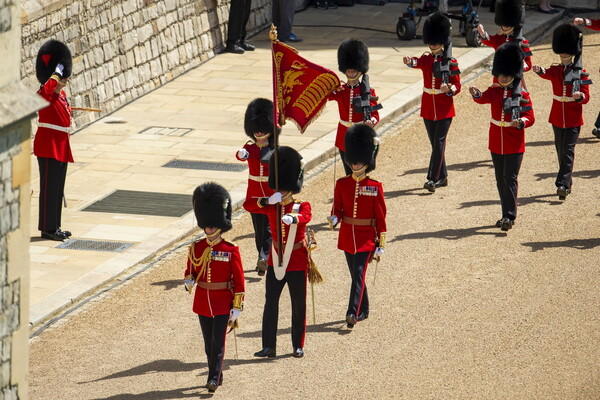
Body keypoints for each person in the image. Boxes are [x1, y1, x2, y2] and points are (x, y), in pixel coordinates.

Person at [247, 146, 311, 358]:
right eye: (279, 187)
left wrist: (294, 219)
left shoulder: (301, 205)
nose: (281, 191)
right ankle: (269, 346)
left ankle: (297, 344)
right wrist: (266, 200)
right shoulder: (271, 205)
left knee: (298, 304)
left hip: (297, 259)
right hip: (275, 260)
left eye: (284, 188)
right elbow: (249, 205)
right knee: (270, 303)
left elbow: (306, 216)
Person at [184, 182, 245, 393]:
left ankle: (212, 378)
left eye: (212, 224)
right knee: (208, 345)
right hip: (202, 300)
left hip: (222, 302)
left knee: (218, 343)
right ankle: (217, 374)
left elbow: (239, 280)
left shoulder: (230, 249)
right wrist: (189, 280)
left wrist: (237, 306)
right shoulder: (197, 247)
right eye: (207, 225)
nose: (209, 228)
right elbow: (190, 269)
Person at [469, 42, 535, 232]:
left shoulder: (522, 95)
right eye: (500, 74)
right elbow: (483, 98)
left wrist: (521, 121)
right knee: (500, 179)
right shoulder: (495, 90)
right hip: (496, 141)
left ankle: (509, 215)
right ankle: (504, 212)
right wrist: (476, 93)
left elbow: (530, 117)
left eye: (506, 75)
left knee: (510, 177)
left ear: (513, 74)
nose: (503, 77)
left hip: (514, 142)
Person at [327, 124, 386, 329]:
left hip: (366, 238)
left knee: (359, 273)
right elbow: (338, 208)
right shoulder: (342, 184)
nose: (355, 164)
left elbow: (381, 217)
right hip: (346, 236)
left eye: (359, 160)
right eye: (353, 160)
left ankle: (352, 312)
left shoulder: (374, 186)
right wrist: (334, 218)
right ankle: (365, 307)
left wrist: (381, 242)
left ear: (367, 161)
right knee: (356, 275)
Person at [403, 12, 461, 193]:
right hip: (428, 107)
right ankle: (442, 176)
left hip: (444, 109)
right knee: (435, 144)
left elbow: (457, 85)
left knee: (438, 144)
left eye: (437, 41)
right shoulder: (427, 58)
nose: (434, 44)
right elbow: (417, 62)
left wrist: (449, 90)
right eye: (432, 41)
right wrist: (408, 61)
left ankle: (432, 179)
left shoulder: (451, 62)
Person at [532, 23, 591, 200]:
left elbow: (586, 98)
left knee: (568, 151)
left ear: (573, 51)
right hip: (557, 116)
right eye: (562, 51)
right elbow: (547, 73)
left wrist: (580, 95)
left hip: (573, 118)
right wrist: (539, 70)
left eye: (567, 51)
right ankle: (567, 181)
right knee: (560, 151)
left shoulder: (582, 73)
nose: (564, 54)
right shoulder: (556, 69)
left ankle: (562, 184)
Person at [34, 40, 74, 241]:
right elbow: (48, 88)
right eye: (61, 78)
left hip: (60, 145)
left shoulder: (61, 95)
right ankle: (47, 228)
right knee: (49, 189)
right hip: (48, 145)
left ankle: (55, 225)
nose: (63, 81)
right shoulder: (44, 94)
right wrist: (56, 73)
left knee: (58, 189)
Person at [328, 38, 380, 176]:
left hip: (360, 134)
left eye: (353, 71)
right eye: (348, 72)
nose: (350, 74)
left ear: (360, 70)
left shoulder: (369, 91)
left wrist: (371, 122)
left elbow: (375, 115)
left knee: (360, 170)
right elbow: (324, 96)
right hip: (344, 134)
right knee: (348, 171)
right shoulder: (341, 89)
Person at [236, 98, 276, 276]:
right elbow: (241, 155)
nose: (259, 133)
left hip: (269, 192)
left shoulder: (274, 148)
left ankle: (264, 257)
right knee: (258, 230)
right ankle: (262, 257)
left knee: (267, 228)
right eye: (256, 130)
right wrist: (241, 154)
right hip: (253, 193)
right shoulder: (250, 147)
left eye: (262, 129)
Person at [477, 0, 533, 82]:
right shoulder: (499, 38)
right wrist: (483, 34)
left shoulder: (523, 42)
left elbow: (528, 64)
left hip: (514, 80)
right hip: (498, 78)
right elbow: (489, 41)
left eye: (508, 24)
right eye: (504, 24)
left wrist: (521, 66)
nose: (506, 26)